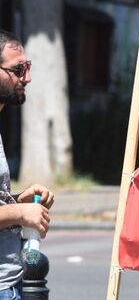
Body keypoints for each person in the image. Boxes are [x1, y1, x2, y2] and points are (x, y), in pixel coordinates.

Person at [0, 29, 54, 300]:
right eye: (18, 69)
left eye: (28, 67)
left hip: (10, 282)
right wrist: (20, 213)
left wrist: (19, 200)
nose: (27, 78)